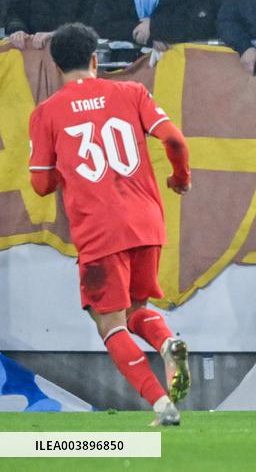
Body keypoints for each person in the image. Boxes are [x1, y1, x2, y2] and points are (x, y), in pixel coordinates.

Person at [27, 22, 193, 426]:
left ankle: (161, 404)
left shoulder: (46, 113)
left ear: (55, 65)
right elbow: (175, 141)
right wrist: (179, 178)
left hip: (99, 229)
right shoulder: (132, 92)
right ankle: (166, 340)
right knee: (137, 307)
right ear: (95, 59)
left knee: (108, 322)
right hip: (146, 223)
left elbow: (41, 184)